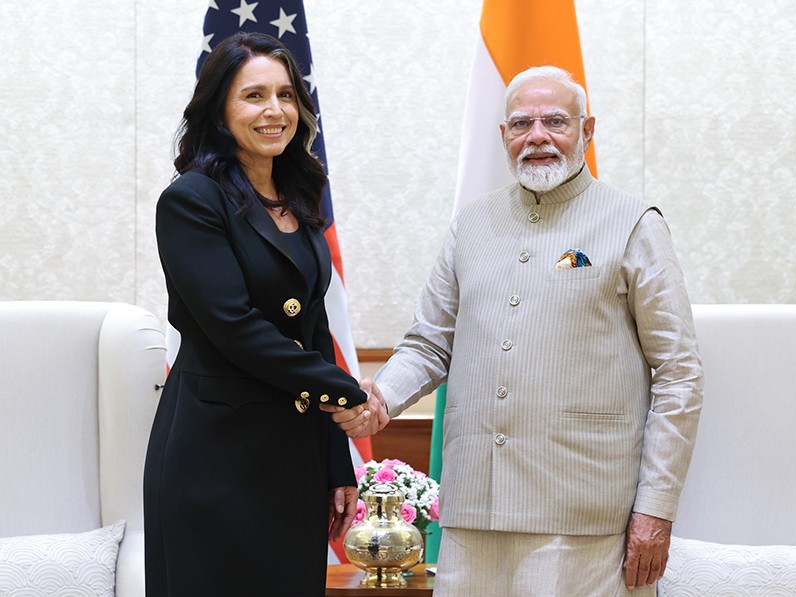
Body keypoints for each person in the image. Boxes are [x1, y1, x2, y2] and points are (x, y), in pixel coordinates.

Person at [325, 66, 703, 596]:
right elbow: (431, 341)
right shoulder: (471, 224)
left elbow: (679, 374)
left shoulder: (634, 223)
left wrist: (655, 510)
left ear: (587, 131)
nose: (538, 136)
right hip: (474, 511)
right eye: (522, 123)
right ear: (504, 136)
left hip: (586, 516)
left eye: (556, 121)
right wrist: (381, 394)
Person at [143, 32, 370, 597]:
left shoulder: (300, 196)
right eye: (254, 96)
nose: (275, 111)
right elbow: (235, 327)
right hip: (215, 457)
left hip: (292, 460)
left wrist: (336, 464)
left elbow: (311, 329)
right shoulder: (192, 200)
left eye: (287, 95)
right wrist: (351, 394)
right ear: (219, 108)